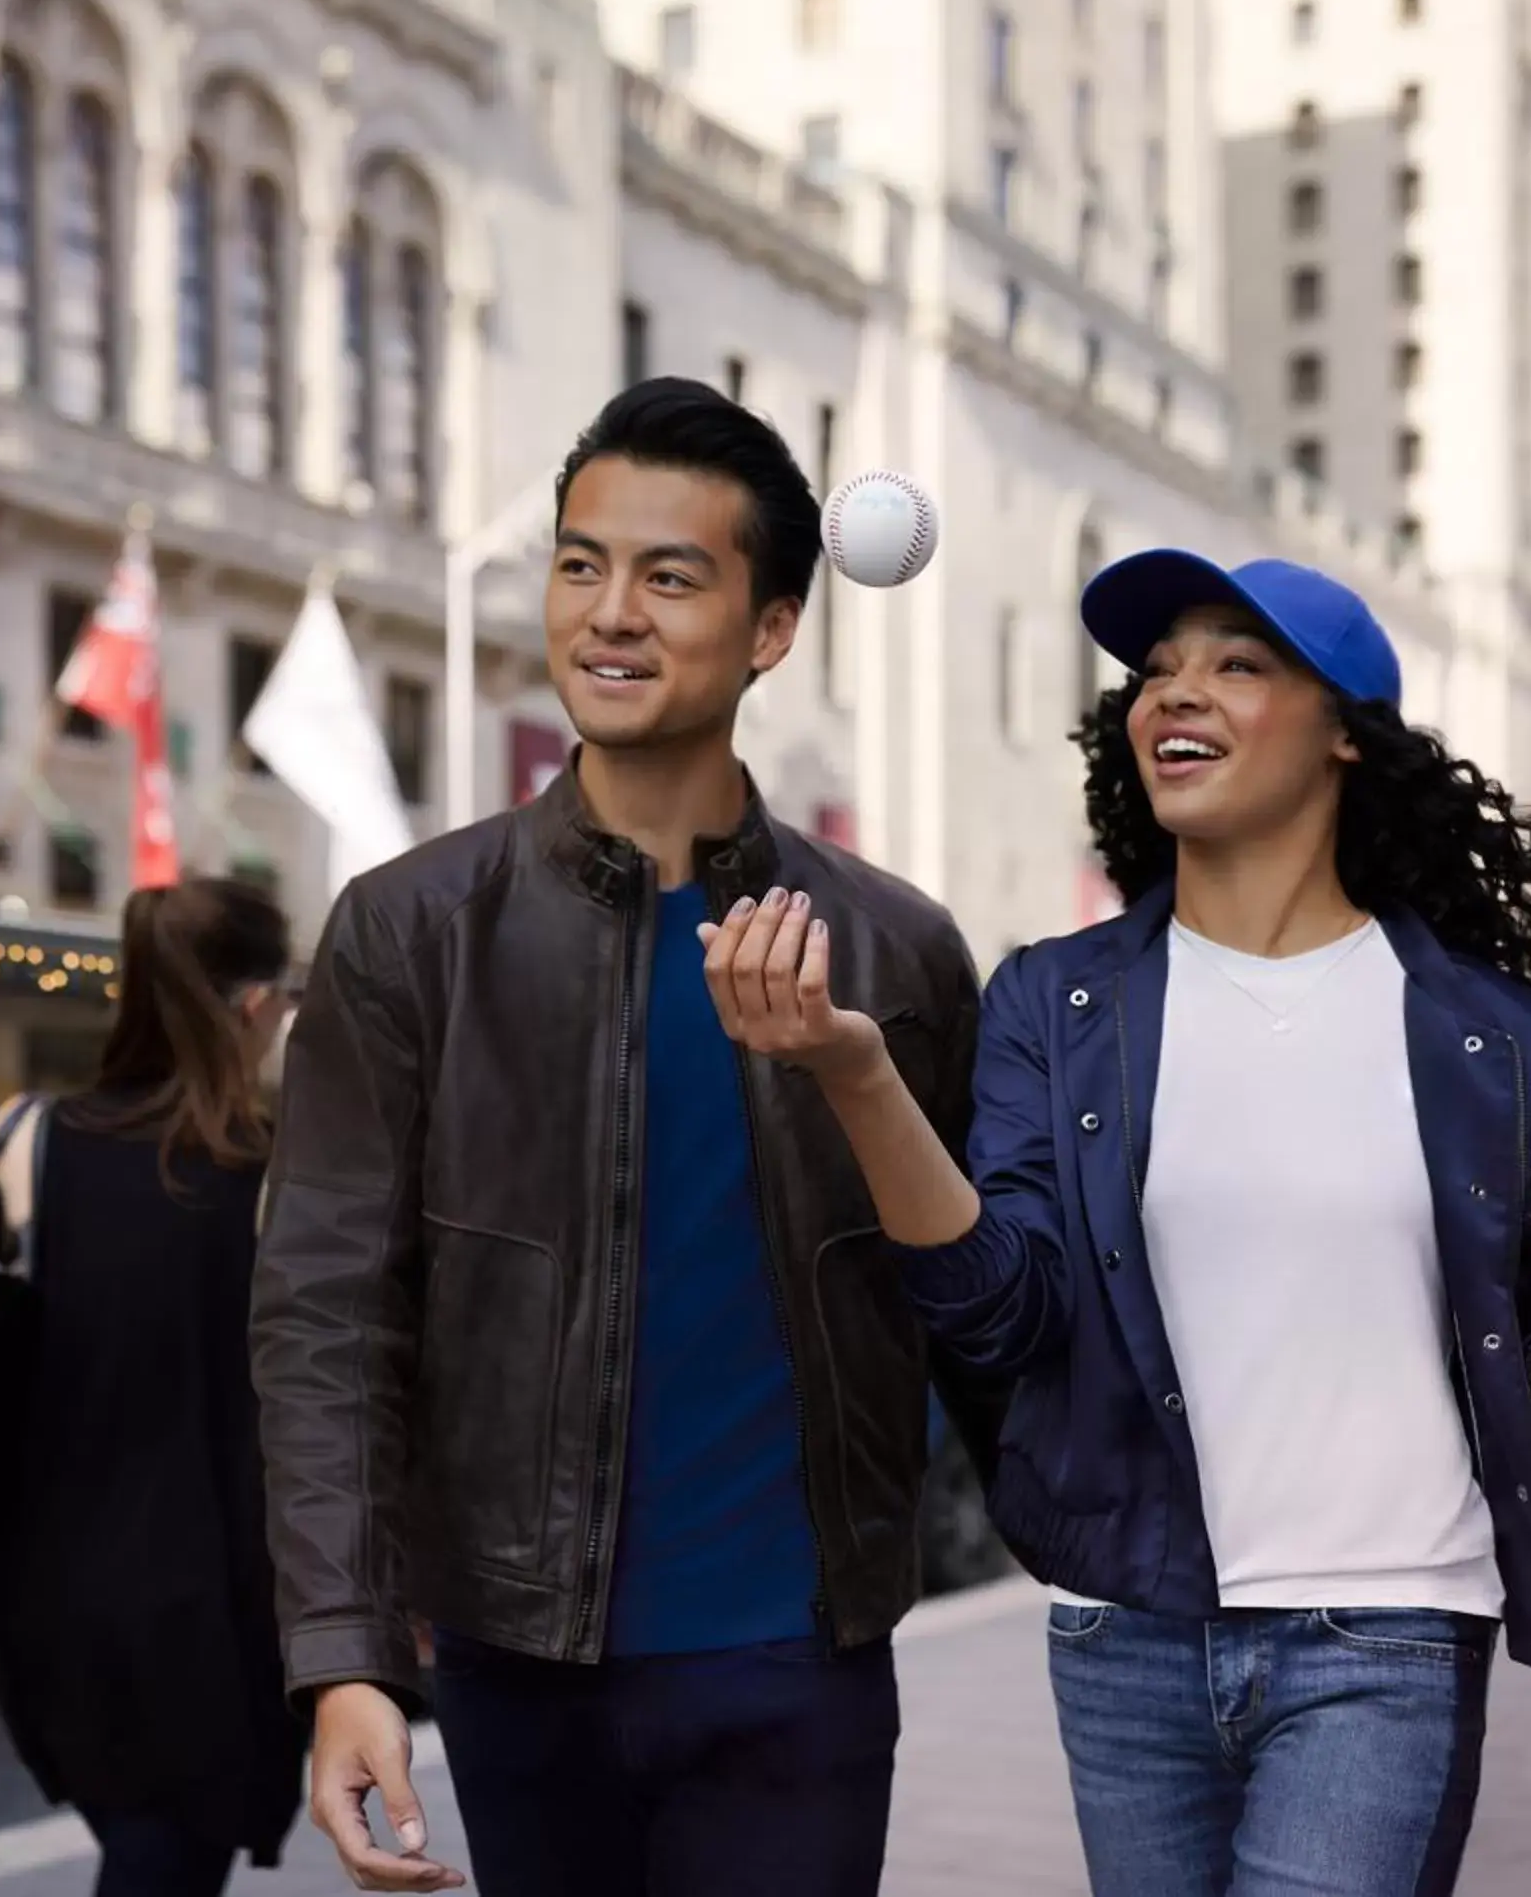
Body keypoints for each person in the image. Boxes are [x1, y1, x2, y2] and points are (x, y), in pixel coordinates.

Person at [697, 549, 1531, 1897]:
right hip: (1125, 1631)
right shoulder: (1057, 1003)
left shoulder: (1498, 1041)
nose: (1177, 690)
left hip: (1389, 1625)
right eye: (1155, 669)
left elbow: (1518, 1365)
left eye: (1236, 662)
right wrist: (858, 1077)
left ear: (1344, 728)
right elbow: (1003, 1314)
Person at [250, 379, 985, 1897]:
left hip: (800, 1664)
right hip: (527, 1669)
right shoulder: (410, 932)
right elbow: (324, 1317)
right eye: (581, 564)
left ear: (772, 627)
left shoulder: (897, 952)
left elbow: (978, 1303)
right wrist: (348, 1657)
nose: (610, 612)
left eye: (670, 574)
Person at [0, 878, 307, 1897]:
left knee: (136, 1844)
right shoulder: (274, 1176)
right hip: (208, 1618)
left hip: (54, 1595)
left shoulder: (27, 1140)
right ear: (250, 1008)